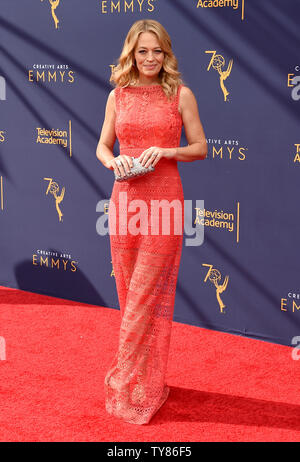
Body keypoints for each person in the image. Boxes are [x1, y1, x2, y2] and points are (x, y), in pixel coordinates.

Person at [96, 19, 207, 425]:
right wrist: (115, 162)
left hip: (163, 205)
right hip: (124, 202)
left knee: (143, 298)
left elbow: (200, 147)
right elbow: (102, 146)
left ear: (167, 54)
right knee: (129, 297)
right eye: (142, 51)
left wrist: (164, 151)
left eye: (156, 51)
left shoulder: (181, 94)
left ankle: (126, 384)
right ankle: (146, 378)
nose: (149, 58)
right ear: (131, 52)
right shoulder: (117, 96)